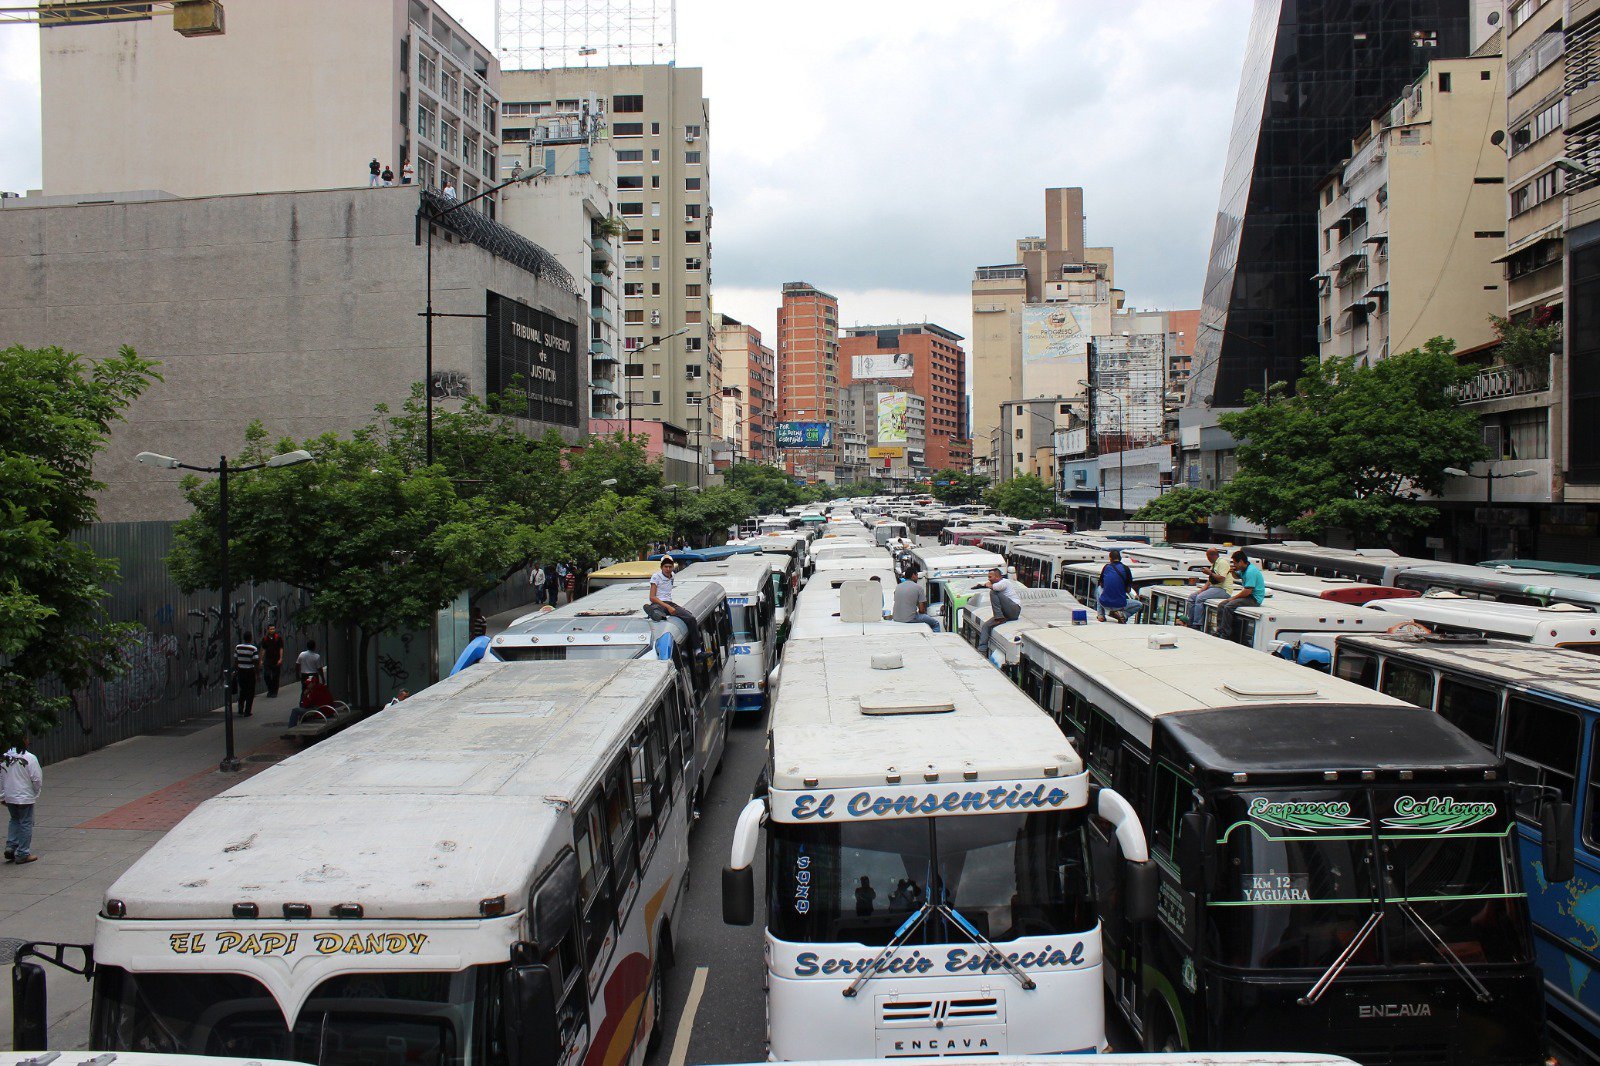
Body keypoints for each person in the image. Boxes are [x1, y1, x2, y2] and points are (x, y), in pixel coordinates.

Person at [648, 557, 702, 651]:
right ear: (661, 567)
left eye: (670, 567)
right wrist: (668, 607)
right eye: (666, 567)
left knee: (691, 619)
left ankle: (697, 651)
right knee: (657, 607)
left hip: (669, 603)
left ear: (673, 567)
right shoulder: (656, 577)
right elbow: (652, 597)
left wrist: (670, 606)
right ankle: (655, 612)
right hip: (660, 603)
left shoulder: (672, 575)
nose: (668, 569)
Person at [2, 737, 42, 864]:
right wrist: (35, 793)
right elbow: (36, 779)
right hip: (25, 795)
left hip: (10, 795)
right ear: (23, 741)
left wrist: (2, 795)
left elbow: (1, 777)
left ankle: (11, 846)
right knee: (26, 822)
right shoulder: (29, 757)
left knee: (14, 819)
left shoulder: (4, 757)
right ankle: (23, 853)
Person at [1215, 550, 1267, 640]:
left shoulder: (1251, 571)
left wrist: (1233, 598)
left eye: (1235, 563)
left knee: (1228, 606)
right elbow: (1237, 576)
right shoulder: (1243, 569)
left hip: (1253, 598)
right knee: (1221, 605)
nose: (1234, 565)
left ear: (1241, 562)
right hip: (1248, 596)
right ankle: (1219, 629)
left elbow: (1247, 591)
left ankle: (1225, 633)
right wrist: (1233, 572)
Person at [975, 567, 1022, 655]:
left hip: (1014, 610)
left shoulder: (1005, 582)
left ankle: (999, 617)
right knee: (986, 626)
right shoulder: (997, 583)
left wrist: (986, 585)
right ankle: (982, 650)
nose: (988, 579)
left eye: (990, 577)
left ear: (997, 577)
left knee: (993, 592)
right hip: (1005, 613)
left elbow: (995, 587)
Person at [1097, 550, 1137, 623]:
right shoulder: (1126, 569)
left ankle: (1100, 615)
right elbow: (1128, 590)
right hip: (1120, 605)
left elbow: (1101, 584)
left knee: (1098, 588)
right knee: (1139, 605)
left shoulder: (1106, 567)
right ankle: (1123, 615)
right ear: (1120, 558)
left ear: (1110, 558)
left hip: (1104, 603)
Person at [233, 633, 260, 718]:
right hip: (250, 671)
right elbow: (256, 662)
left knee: (243, 690)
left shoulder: (238, 647)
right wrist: (257, 674)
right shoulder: (253, 648)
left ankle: (240, 709)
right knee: (250, 692)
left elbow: (236, 660)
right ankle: (247, 711)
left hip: (241, 671)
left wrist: (236, 670)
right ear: (251, 638)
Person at [260, 624, 285, 698]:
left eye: (273, 629)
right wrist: (261, 659)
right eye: (271, 629)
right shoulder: (265, 639)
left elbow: (281, 648)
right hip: (268, 659)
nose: (272, 630)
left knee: (275, 676)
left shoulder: (278, 638)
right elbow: (263, 649)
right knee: (266, 675)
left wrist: (280, 658)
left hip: (276, 659)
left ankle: (274, 691)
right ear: (268, 630)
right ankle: (270, 689)